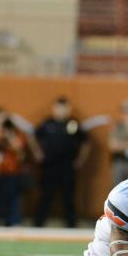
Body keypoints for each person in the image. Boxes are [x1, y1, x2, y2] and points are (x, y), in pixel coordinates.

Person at [34, 96, 90, 228]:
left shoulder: (73, 124)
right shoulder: (47, 123)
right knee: (46, 195)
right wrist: (37, 152)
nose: (62, 111)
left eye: (64, 108)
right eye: (59, 108)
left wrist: (81, 158)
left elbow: (86, 141)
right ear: (54, 109)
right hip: (49, 165)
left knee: (69, 196)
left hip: (67, 165)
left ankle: (71, 224)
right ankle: (38, 223)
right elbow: (34, 136)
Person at [0, 107, 28, 226]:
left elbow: (18, 147)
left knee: (13, 198)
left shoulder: (14, 132)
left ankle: (13, 222)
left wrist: (9, 133)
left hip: (11, 171)